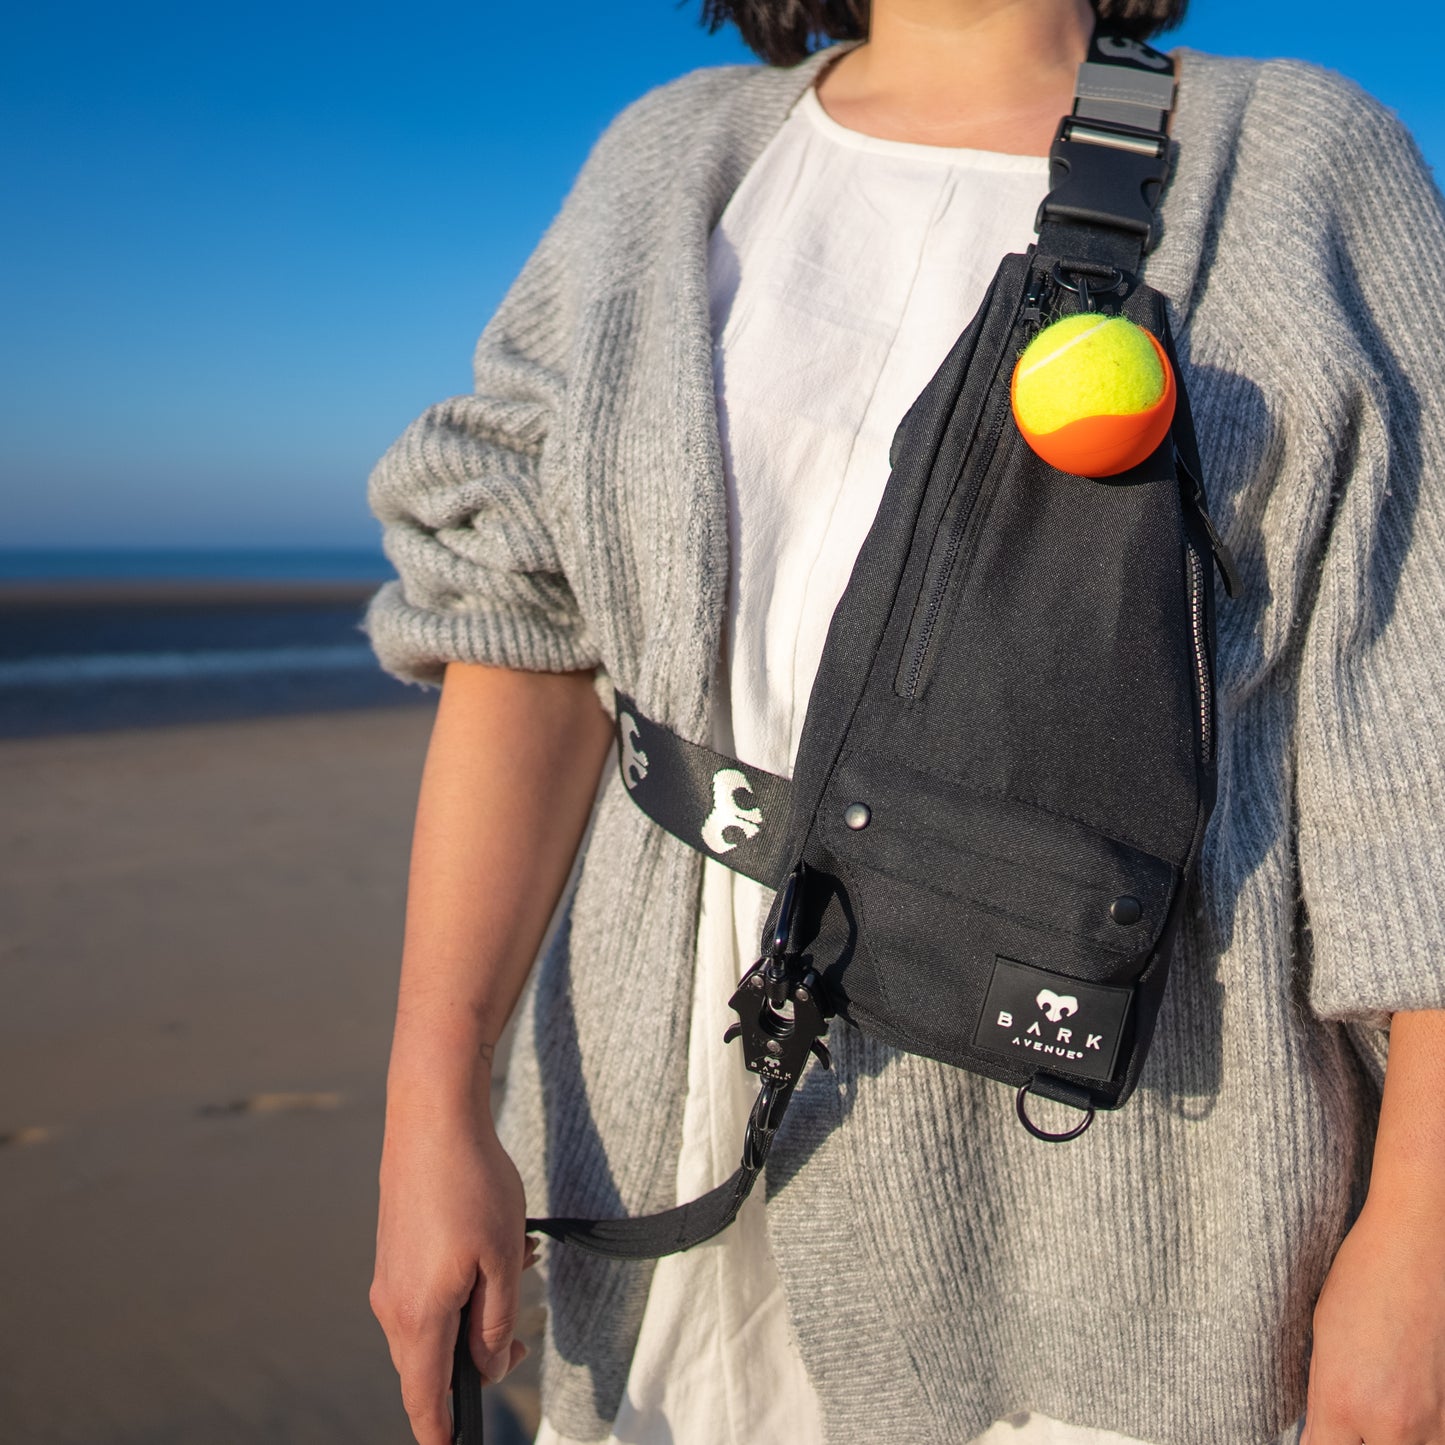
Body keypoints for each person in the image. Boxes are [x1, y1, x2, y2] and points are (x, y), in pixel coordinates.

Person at [364, 1, 1445, 1442]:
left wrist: (1422, 1245)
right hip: (654, 1150)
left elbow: (1413, 726)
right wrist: (434, 1100)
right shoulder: (668, 161)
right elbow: (520, 623)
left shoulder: (1301, 160)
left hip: (1120, 1210)